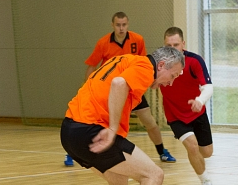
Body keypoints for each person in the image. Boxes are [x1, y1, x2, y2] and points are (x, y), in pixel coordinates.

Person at [61, 46, 184, 185]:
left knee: (118, 182)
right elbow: (118, 84)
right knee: (154, 174)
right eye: (173, 75)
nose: (171, 82)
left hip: (70, 130)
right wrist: (113, 128)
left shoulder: (125, 60)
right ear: (161, 65)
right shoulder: (145, 67)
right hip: (91, 129)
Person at [70, 11, 176, 166]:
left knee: (149, 121)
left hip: (132, 87)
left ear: (128, 24)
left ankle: (162, 151)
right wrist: (87, 86)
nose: (121, 28)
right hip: (111, 91)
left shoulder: (137, 40)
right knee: (93, 121)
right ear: (112, 25)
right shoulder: (103, 43)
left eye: (124, 25)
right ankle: (71, 153)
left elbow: (148, 64)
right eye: (118, 25)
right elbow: (92, 65)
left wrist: (155, 82)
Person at [161, 27, 214, 185]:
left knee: (206, 152)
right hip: (174, 114)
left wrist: (199, 100)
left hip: (197, 111)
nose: (172, 48)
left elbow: (208, 87)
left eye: (176, 44)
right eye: (168, 45)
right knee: (192, 146)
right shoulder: (158, 62)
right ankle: (205, 180)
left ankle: (197, 159)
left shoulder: (195, 61)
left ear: (183, 44)